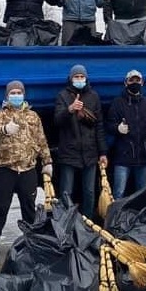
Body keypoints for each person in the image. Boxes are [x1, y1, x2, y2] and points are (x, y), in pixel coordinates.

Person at [0, 80, 52, 241]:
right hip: (5, 169)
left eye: (18, 93)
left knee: (29, 208)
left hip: (28, 169)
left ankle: (32, 242)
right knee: (0, 207)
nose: (16, 96)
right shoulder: (0, 115)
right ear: (7, 96)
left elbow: (41, 140)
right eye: (12, 93)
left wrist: (47, 161)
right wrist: (4, 129)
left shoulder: (33, 116)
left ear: (24, 94)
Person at [53, 64, 107, 218]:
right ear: (71, 79)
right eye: (76, 77)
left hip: (90, 153)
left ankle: (88, 222)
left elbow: (99, 126)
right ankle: (66, 222)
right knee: (66, 191)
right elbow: (57, 121)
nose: (79, 79)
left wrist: (102, 152)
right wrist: (69, 110)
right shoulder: (62, 96)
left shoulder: (93, 96)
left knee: (89, 191)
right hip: (69, 152)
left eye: (82, 77)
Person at [105, 69, 146, 199]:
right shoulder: (117, 103)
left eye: (137, 80)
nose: (135, 82)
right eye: (132, 80)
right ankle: (116, 219)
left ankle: (140, 219)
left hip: (143, 158)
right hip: (123, 158)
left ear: (142, 82)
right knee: (118, 194)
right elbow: (108, 125)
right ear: (126, 83)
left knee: (142, 195)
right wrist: (117, 128)